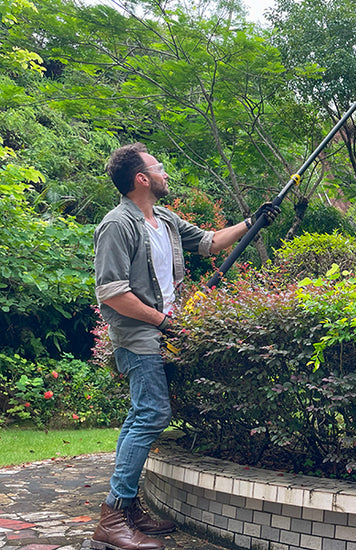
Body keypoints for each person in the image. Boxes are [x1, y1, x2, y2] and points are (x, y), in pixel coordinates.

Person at [91, 142, 280, 550]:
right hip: (140, 335)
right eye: (158, 169)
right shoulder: (116, 225)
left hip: (164, 331)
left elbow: (211, 243)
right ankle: (112, 517)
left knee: (140, 416)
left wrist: (254, 221)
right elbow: (112, 293)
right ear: (141, 179)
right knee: (153, 415)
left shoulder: (166, 220)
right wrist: (164, 322)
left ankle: (126, 506)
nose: (165, 174)